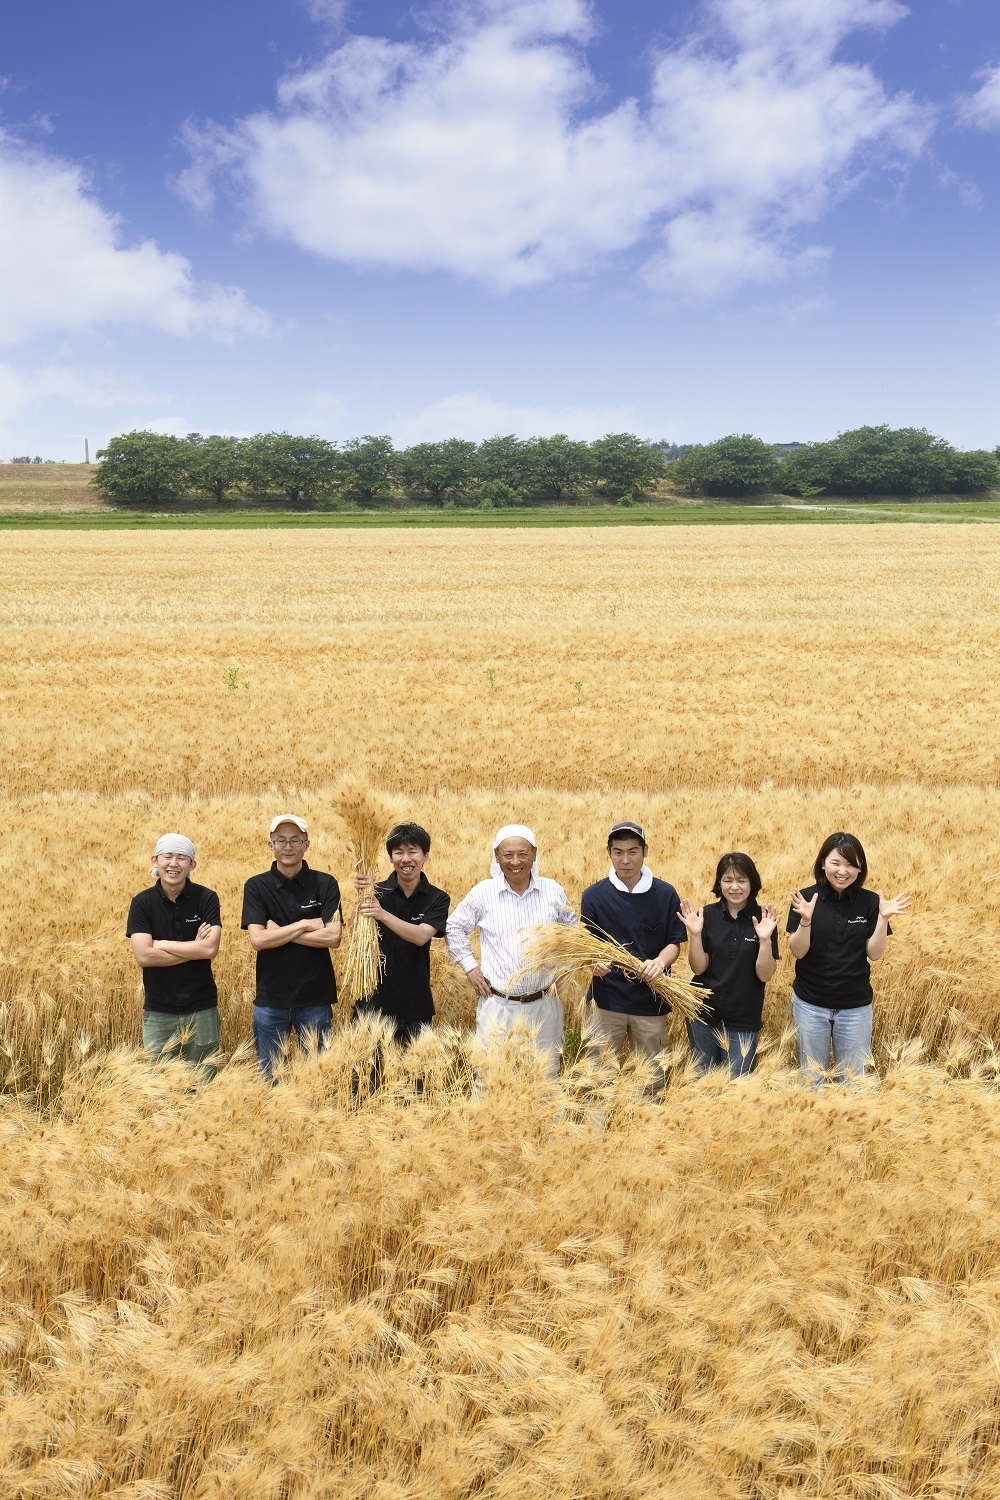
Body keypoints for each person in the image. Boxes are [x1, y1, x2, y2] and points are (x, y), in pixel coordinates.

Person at [446, 824, 576, 1079]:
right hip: (497, 1005)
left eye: (522, 854)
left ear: (534, 854)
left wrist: (565, 970)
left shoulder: (552, 891)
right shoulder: (484, 893)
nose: (515, 862)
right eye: (507, 855)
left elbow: (573, 933)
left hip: (544, 1005)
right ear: (497, 856)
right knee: (490, 1080)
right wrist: (471, 968)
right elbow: (454, 927)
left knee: (545, 1080)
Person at [787, 831, 910, 1081]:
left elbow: (874, 954)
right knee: (812, 1081)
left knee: (854, 1084)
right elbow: (798, 951)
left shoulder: (870, 902)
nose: (843, 871)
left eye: (851, 865)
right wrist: (806, 920)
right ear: (823, 863)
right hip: (810, 1005)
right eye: (836, 863)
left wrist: (883, 917)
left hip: (855, 1008)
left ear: (860, 867)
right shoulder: (805, 898)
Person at [580, 821, 685, 1095]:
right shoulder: (594, 896)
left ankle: (646, 1133)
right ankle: (593, 1132)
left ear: (645, 851)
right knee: (597, 1079)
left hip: (651, 1002)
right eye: (618, 852)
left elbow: (675, 943)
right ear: (609, 853)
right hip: (606, 1002)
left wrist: (660, 962)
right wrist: (594, 963)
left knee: (650, 1081)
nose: (625, 860)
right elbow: (587, 945)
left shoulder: (665, 894)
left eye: (632, 852)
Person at [241, 814, 342, 1079]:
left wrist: (280, 931)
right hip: (270, 1001)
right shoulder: (257, 886)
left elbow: (333, 937)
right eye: (281, 841)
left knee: (316, 1079)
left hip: (315, 999)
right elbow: (258, 940)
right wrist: (306, 924)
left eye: (295, 840)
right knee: (270, 1079)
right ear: (270, 845)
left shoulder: (325, 883)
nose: (288, 847)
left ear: (307, 845)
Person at [352, 822, 450, 1088]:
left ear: (425, 855)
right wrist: (360, 897)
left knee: (417, 1084)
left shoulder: (437, 898)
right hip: (372, 1002)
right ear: (390, 856)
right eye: (399, 852)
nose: (406, 859)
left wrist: (381, 914)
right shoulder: (375, 892)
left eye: (413, 851)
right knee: (365, 1084)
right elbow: (353, 933)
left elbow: (421, 936)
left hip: (415, 1005)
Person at [126, 833, 222, 1080]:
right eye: (167, 856)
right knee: (160, 1090)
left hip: (201, 1009)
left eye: (182, 858)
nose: (173, 863)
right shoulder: (142, 903)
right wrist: (194, 948)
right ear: (155, 861)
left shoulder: (206, 898)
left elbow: (210, 950)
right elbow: (144, 956)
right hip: (158, 1011)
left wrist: (162, 944)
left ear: (192, 865)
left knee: (203, 1086)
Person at [679, 852, 779, 1078]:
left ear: (752, 882)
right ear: (719, 882)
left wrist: (764, 940)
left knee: (737, 1088)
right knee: (703, 1082)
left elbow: (764, 975)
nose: (734, 887)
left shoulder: (763, 918)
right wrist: (694, 935)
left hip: (743, 1018)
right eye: (727, 880)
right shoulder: (707, 915)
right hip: (703, 1014)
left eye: (741, 880)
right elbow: (698, 968)